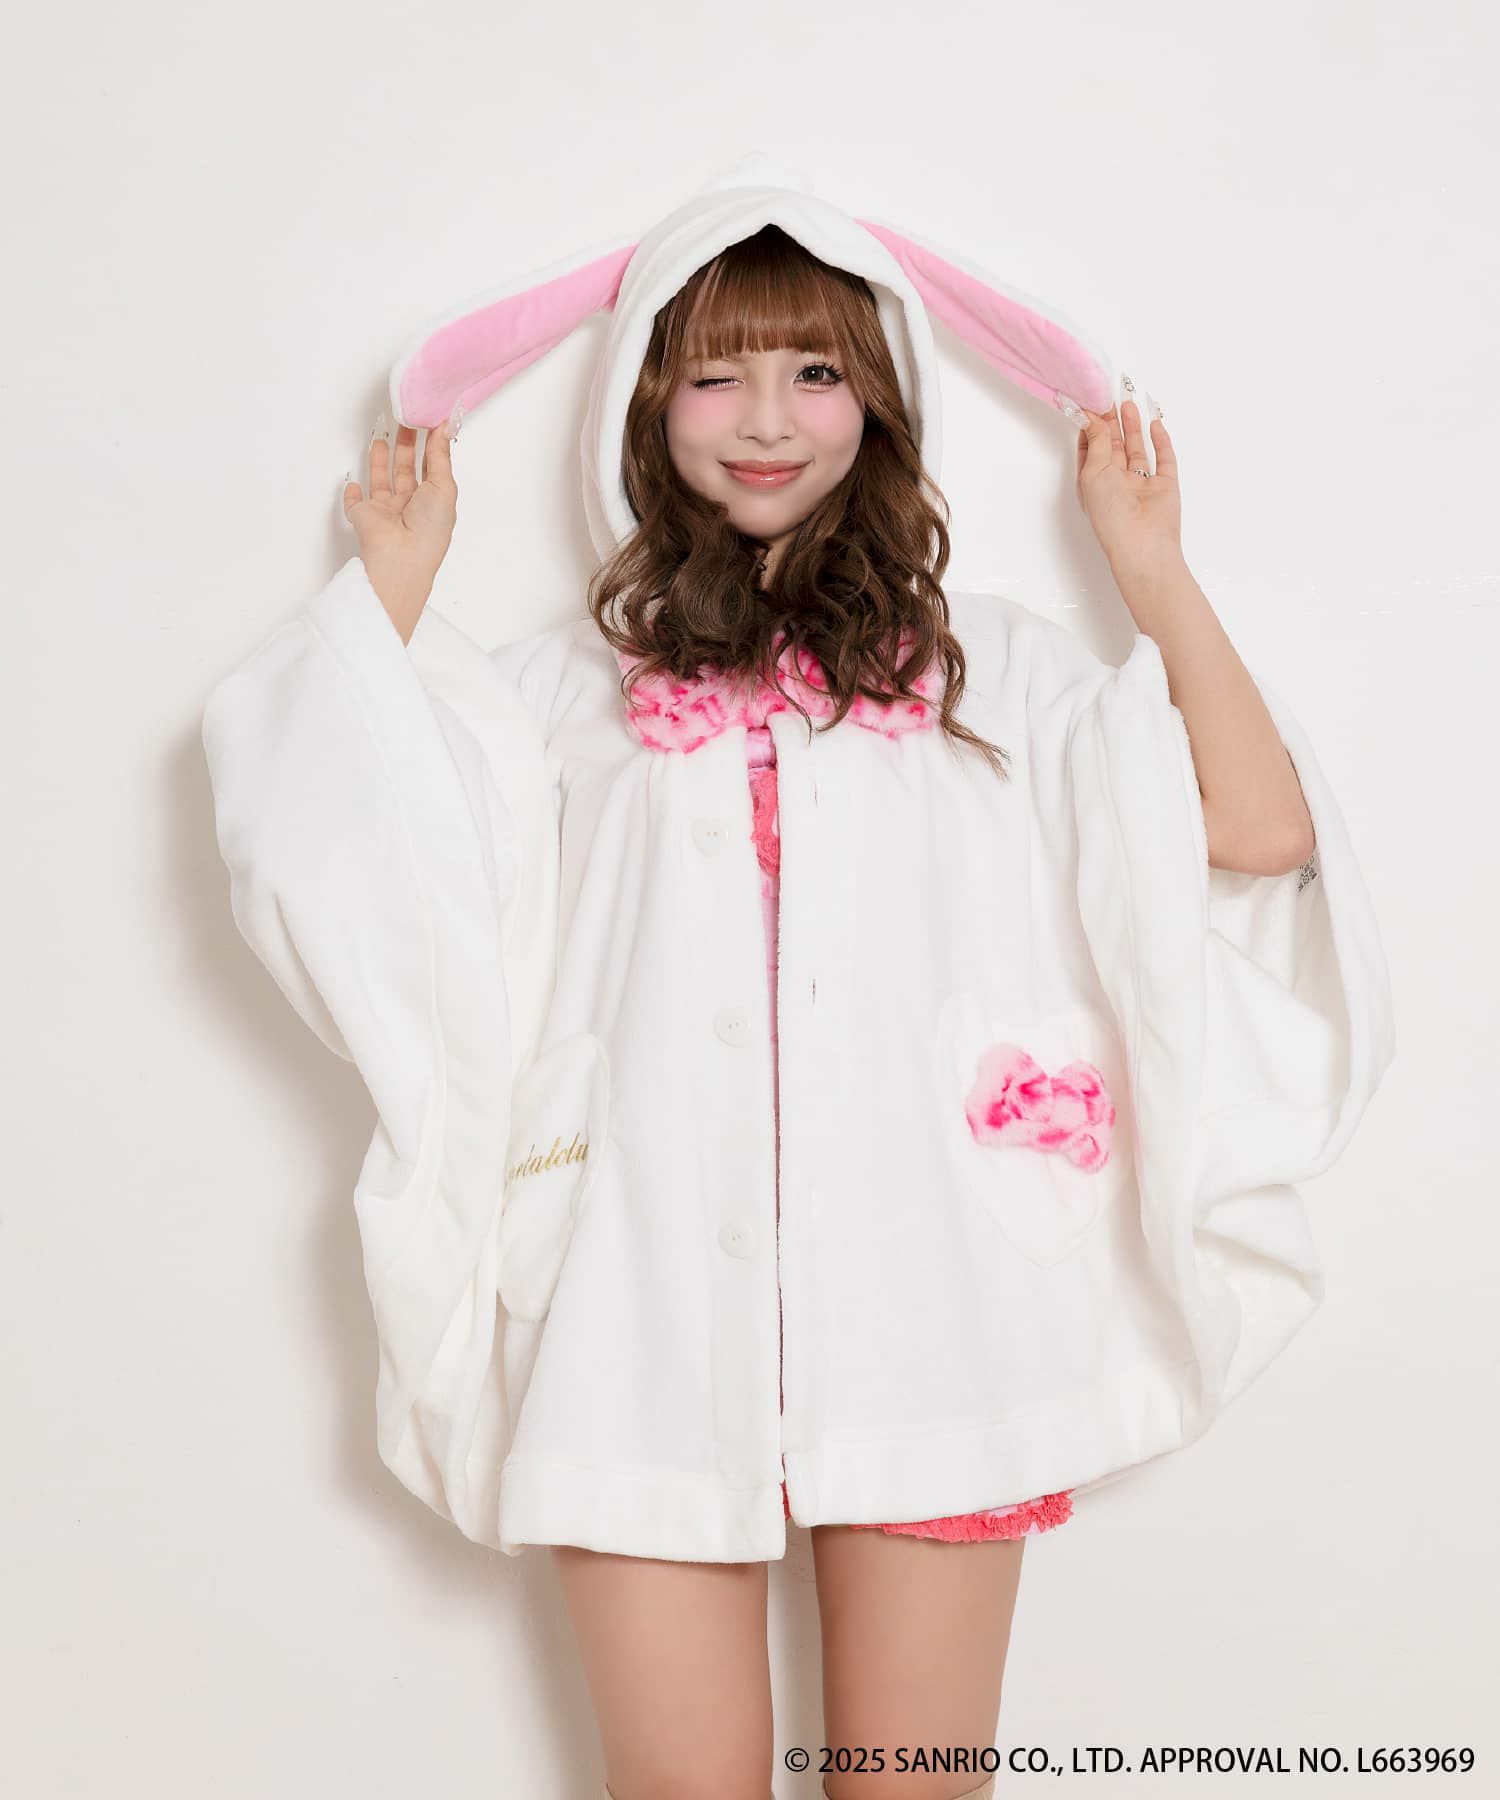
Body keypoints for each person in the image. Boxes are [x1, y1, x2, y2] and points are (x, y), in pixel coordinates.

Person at [201, 158, 1393, 1800]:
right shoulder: (561, 693)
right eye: (717, 373)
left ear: (881, 396)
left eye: (817, 369)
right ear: (646, 401)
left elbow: (1256, 832)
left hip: (936, 1307)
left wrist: (1151, 569)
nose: (766, 418)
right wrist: (392, 591)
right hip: (633, 1307)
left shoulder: (996, 673)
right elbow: (329, 868)